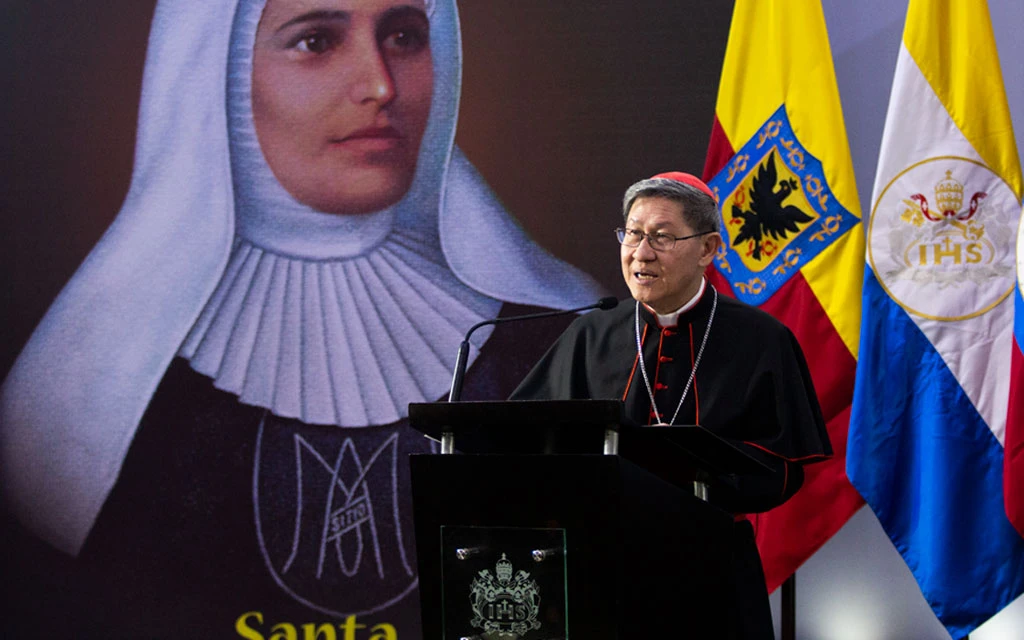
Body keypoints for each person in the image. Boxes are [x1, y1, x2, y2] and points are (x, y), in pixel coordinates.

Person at [0, 0, 603, 636]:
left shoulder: (552, 343)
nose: (380, 85)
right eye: (315, 41)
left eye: (404, 36)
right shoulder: (92, 391)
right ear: (222, 77)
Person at [511, 171, 832, 638]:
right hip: (600, 564)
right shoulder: (591, 333)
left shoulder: (762, 340)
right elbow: (528, 441)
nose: (641, 253)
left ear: (707, 250)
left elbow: (782, 467)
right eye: (633, 234)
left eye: (661, 237)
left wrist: (701, 477)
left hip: (708, 565)